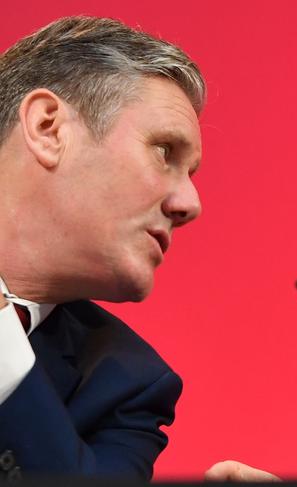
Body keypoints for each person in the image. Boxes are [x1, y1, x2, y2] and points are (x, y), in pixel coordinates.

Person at [0, 16, 205, 480]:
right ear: (48, 128)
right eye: (165, 152)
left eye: (191, 175)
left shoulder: (130, 388)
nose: (190, 205)